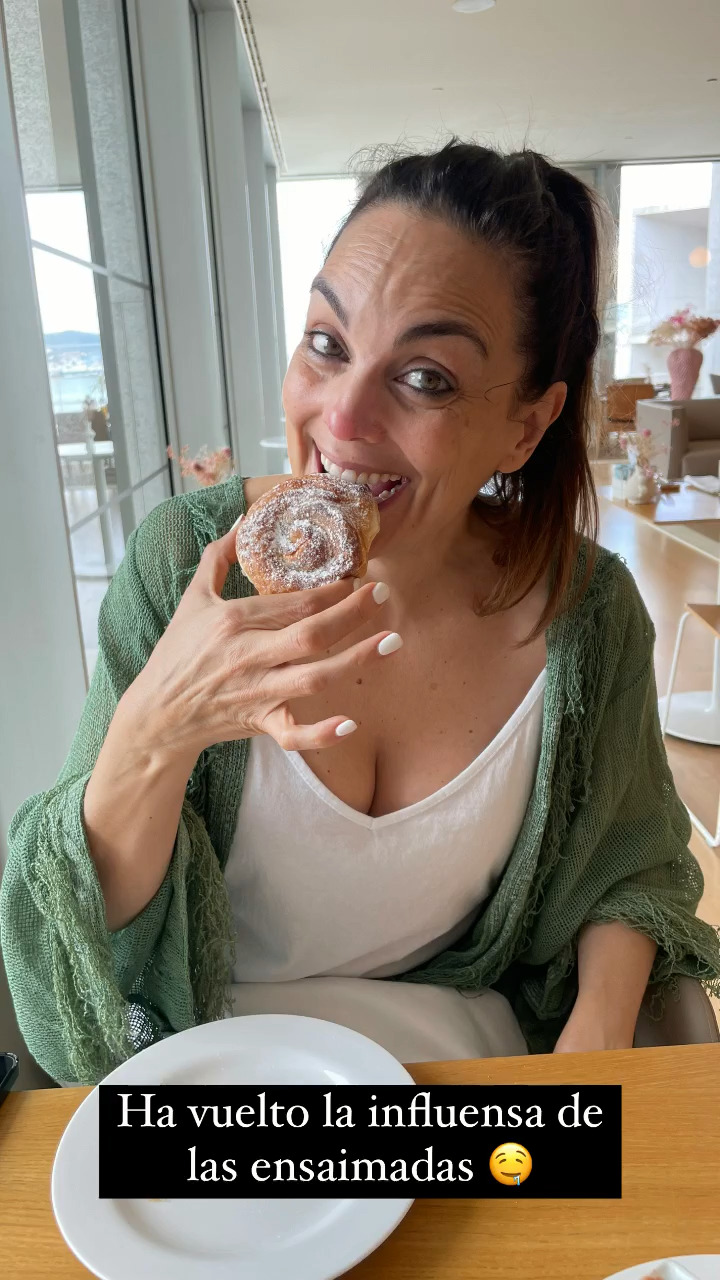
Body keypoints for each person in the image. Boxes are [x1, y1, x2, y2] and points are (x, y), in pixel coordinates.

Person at [2, 142, 719, 1086]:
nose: (340, 420)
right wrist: (159, 730)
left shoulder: (586, 613)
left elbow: (627, 861)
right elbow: (70, 971)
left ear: (527, 425)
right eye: (328, 345)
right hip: (215, 1084)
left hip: (468, 1087)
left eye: (426, 378)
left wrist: (591, 1047)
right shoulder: (189, 565)